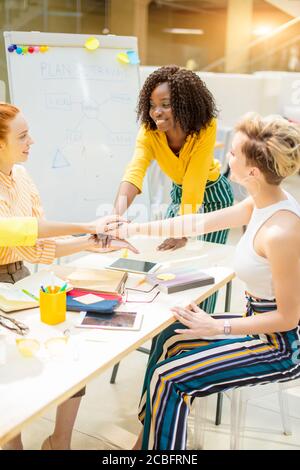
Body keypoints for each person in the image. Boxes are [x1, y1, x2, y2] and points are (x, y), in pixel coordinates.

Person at [106, 113, 300, 450]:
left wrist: (217, 327)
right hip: (255, 326)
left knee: (169, 378)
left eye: (235, 153)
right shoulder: (259, 203)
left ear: (252, 172)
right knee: (171, 339)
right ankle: (149, 441)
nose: (228, 154)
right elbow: (196, 223)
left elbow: (288, 318)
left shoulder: (282, 231)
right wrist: (131, 228)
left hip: (279, 347)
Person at [0, 102, 129, 450]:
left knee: (72, 353)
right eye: (23, 136)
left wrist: (90, 243)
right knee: (12, 372)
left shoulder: (22, 178)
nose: (32, 142)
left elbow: (36, 242)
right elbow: (14, 230)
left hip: (22, 280)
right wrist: (86, 226)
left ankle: (61, 442)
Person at [113, 65, 234, 313]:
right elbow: (135, 171)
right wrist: (116, 215)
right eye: (151, 104)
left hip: (214, 195)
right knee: (167, 266)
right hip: (181, 196)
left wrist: (182, 230)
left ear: (184, 104)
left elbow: (195, 180)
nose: (156, 111)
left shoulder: (205, 127)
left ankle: (200, 328)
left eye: (165, 104)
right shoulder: (149, 133)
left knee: (204, 271)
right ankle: (168, 326)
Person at [0, 216, 128, 247]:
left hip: (21, 274)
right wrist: (90, 228)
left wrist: (90, 241)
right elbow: (22, 230)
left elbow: (40, 237)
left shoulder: (21, 174)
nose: (30, 145)